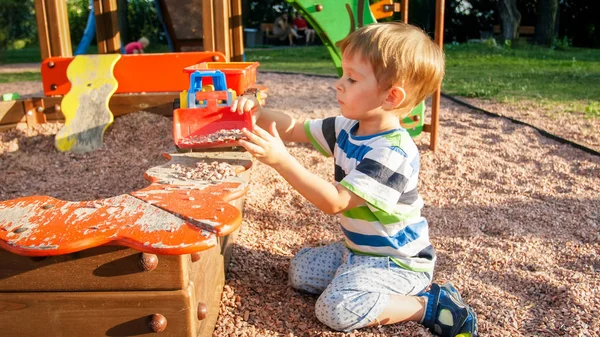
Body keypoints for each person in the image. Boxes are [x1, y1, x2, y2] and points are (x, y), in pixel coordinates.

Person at [230, 22, 478, 337]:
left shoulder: (392, 153)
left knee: (334, 308)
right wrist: (258, 112)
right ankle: (355, 271)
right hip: (359, 250)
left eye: (352, 78)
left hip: (397, 263)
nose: (339, 84)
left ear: (391, 97)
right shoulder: (347, 127)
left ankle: (428, 305)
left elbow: (335, 202)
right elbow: (296, 128)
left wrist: (280, 160)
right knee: (300, 272)